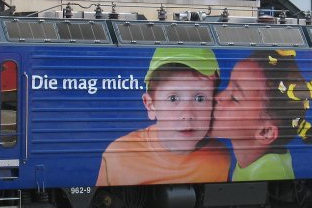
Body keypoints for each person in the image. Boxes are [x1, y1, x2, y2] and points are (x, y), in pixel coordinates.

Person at [96, 47, 231, 186]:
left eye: (200, 99)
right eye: (173, 98)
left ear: (213, 105)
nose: (187, 114)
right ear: (150, 105)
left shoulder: (220, 157)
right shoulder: (118, 156)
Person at [212, 49, 312, 181]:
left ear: (266, 132)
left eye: (234, 98)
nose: (217, 98)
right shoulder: (253, 164)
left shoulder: (268, 173)